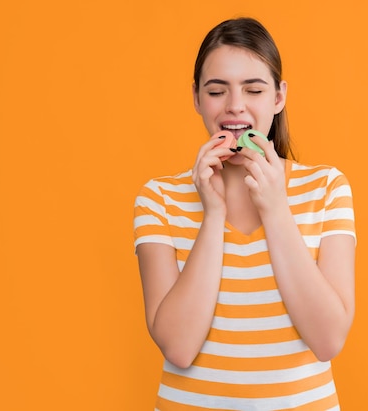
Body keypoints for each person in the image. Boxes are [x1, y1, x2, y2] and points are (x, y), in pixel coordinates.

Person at [134, 17, 356, 410]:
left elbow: (327, 341)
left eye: (253, 89)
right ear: (197, 98)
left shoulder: (327, 189)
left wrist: (275, 209)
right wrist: (213, 214)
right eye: (217, 91)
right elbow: (179, 348)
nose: (235, 106)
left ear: (278, 97)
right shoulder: (160, 198)